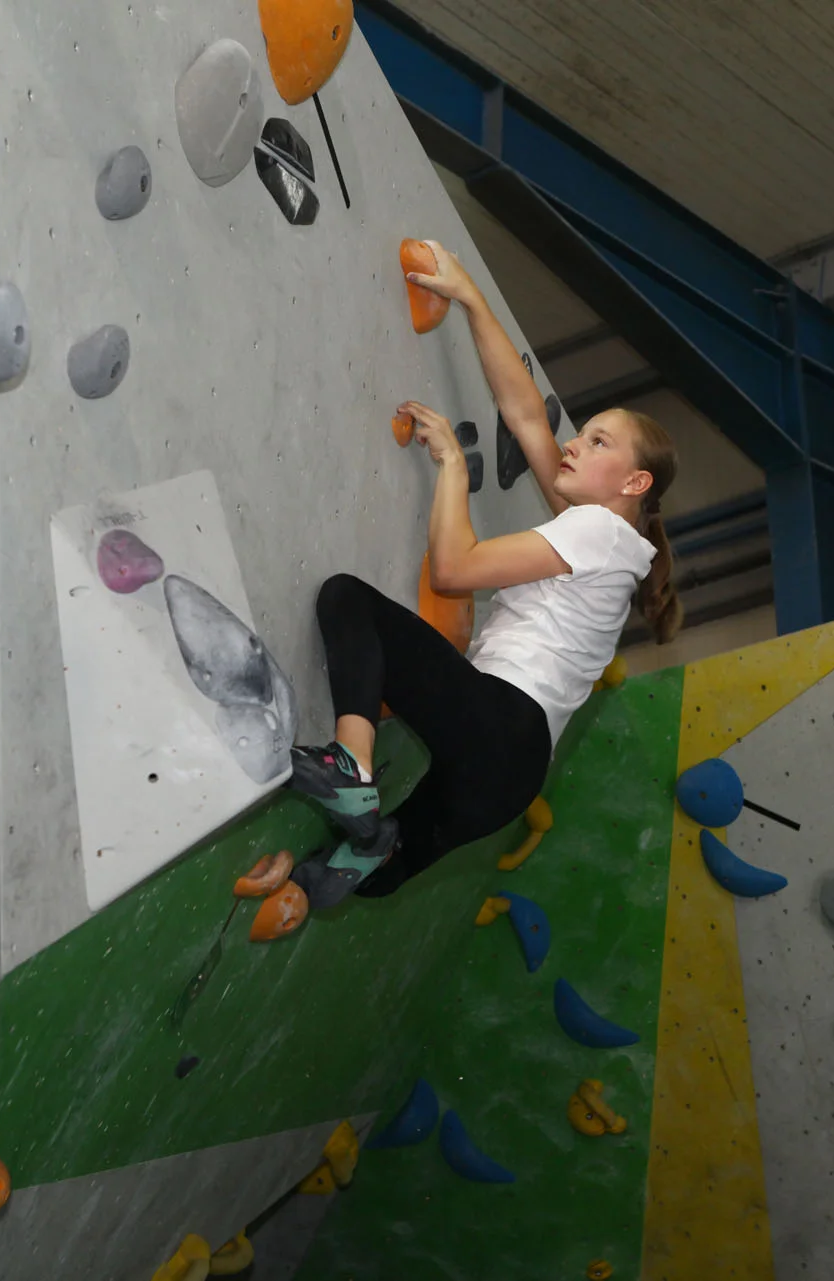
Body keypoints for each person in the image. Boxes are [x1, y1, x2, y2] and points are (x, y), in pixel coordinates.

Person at [285, 241, 683, 907]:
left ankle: (351, 764)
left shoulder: (596, 531)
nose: (576, 444)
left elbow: (453, 568)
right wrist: (469, 297)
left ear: (635, 482)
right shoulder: (612, 545)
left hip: (502, 721)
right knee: (371, 871)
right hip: (510, 778)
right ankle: (331, 856)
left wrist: (453, 468)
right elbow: (526, 414)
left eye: (599, 442)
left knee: (347, 600)